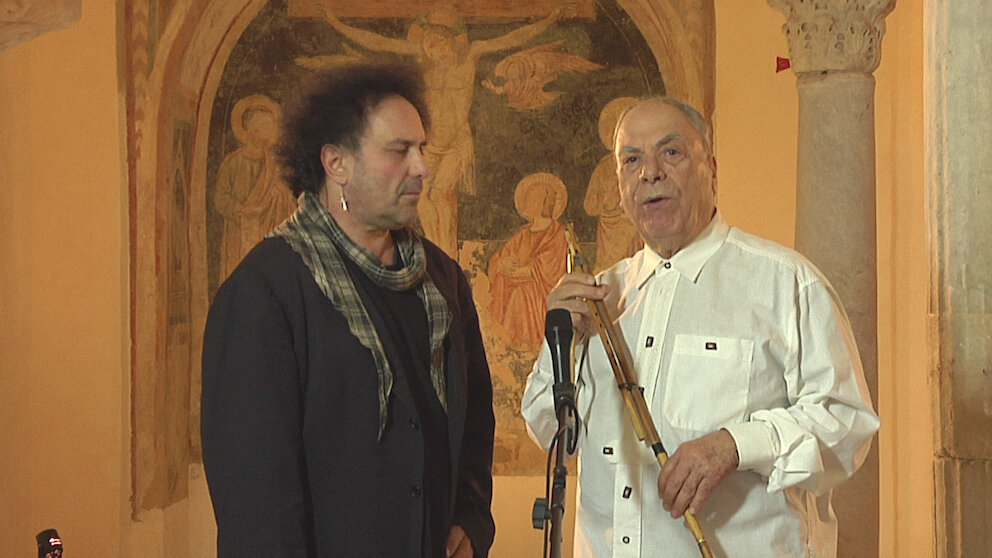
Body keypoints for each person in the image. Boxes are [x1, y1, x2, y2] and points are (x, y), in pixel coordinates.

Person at [521, 97, 879, 557]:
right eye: (632, 160)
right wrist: (558, 343)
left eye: (670, 152)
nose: (650, 173)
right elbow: (547, 431)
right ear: (620, 184)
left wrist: (735, 445)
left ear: (711, 169)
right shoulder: (597, 298)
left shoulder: (786, 283)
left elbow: (846, 425)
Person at [201, 62, 496, 558]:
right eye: (399, 151)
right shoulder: (265, 291)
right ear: (336, 163)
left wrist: (471, 518)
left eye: (421, 149)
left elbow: (475, 420)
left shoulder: (442, 279)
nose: (421, 168)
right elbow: (255, 501)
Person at [488, 172, 569, 352]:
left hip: (542, 295)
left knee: (521, 293)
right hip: (519, 287)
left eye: (552, 199)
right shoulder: (523, 234)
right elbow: (502, 258)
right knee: (516, 291)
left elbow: (552, 266)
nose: (551, 202)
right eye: (546, 198)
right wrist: (501, 265)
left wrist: (525, 272)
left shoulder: (558, 233)